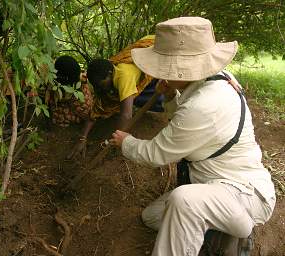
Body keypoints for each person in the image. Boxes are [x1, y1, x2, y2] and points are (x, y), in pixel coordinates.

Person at [110, 17, 276, 256]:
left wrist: (126, 142)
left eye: (164, 67)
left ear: (182, 68)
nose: (160, 75)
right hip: (210, 185)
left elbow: (157, 153)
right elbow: (187, 123)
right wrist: (169, 97)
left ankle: (238, 229)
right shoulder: (214, 80)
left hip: (244, 194)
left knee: (183, 202)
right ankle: (219, 233)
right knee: (153, 217)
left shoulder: (204, 105)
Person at [67, 35, 164, 160]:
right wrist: (83, 137)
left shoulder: (124, 77)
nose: (100, 89)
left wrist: (119, 141)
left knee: (158, 101)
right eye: (97, 87)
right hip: (143, 61)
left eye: (101, 85)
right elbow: (97, 109)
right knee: (118, 99)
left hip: (157, 54)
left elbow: (126, 115)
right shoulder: (106, 73)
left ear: (109, 74)